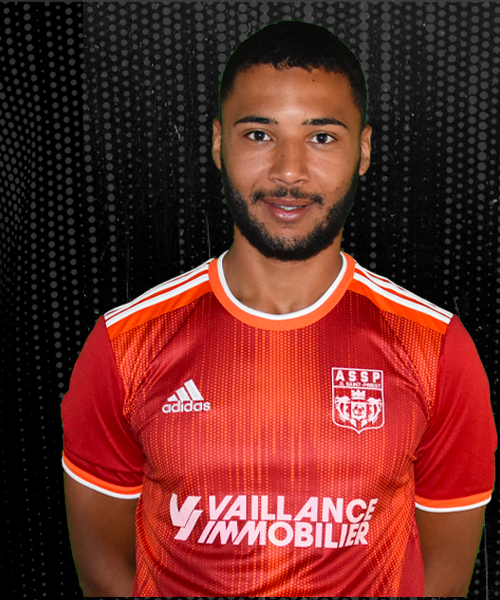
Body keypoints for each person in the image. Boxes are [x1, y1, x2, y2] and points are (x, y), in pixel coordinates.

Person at [62, 20, 496, 597]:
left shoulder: (436, 348)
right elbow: (103, 572)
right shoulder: (124, 344)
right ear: (218, 143)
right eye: (259, 134)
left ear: (364, 150)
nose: (289, 171)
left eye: (322, 137)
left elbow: (443, 575)